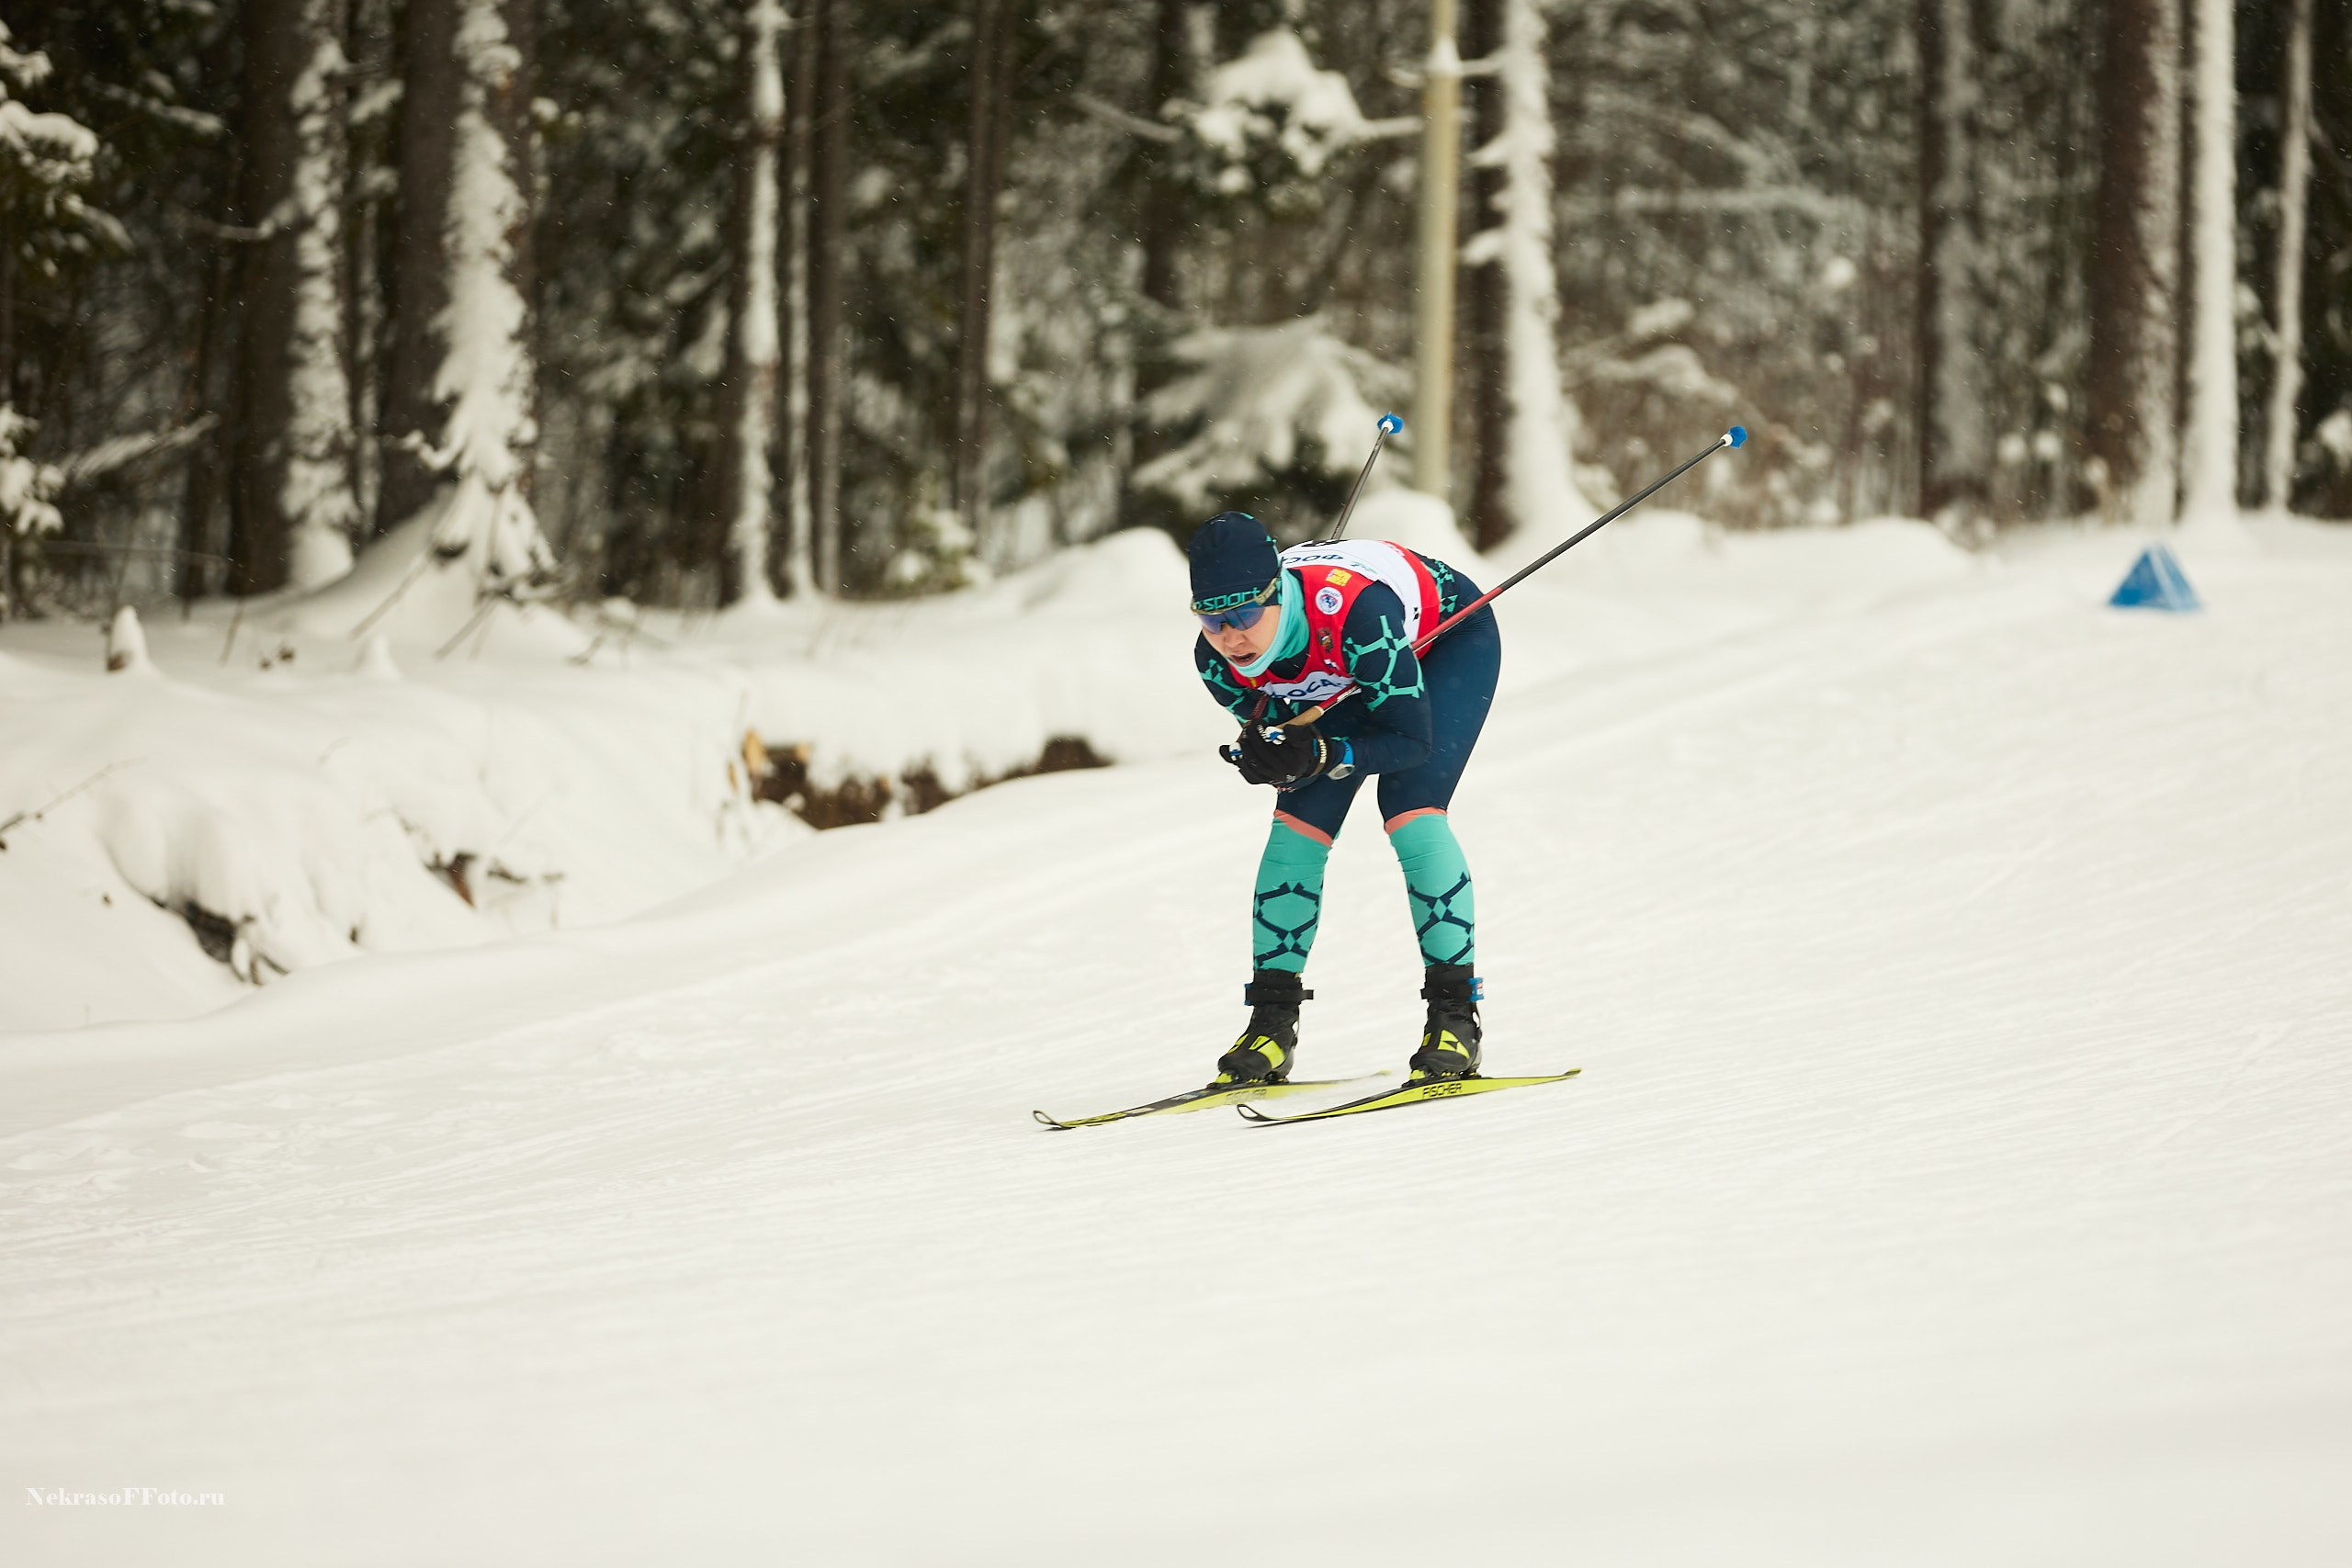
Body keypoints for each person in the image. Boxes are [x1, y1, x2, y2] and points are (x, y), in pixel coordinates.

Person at [1188, 510, 1502, 1086]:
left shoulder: (1360, 613)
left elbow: (1407, 740)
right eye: (1212, 620)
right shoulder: (1217, 663)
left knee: (1411, 813)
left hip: (1443, 640)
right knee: (1295, 832)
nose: (1231, 636)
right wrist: (1272, 755)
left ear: (1276, 595)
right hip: (1347, 673)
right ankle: (1271, 1026)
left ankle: (1456, 1019)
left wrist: (1326, 754)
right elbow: (1286, 738)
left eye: (1243, 615)